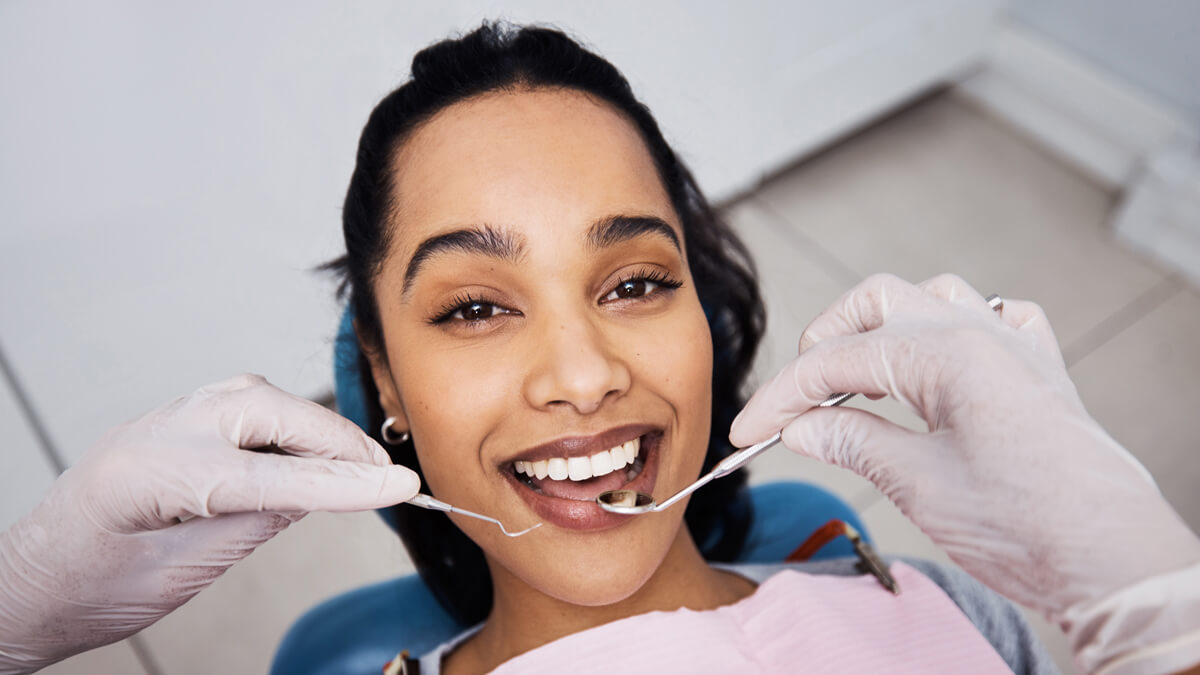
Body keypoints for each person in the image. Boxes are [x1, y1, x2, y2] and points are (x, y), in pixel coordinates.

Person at [0, 22, 1197, 675]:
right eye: (474, 305)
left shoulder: (951, 618)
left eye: (633, 281)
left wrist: (1171, 626)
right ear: (384, 381)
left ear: (705, 326)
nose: (583, 376)